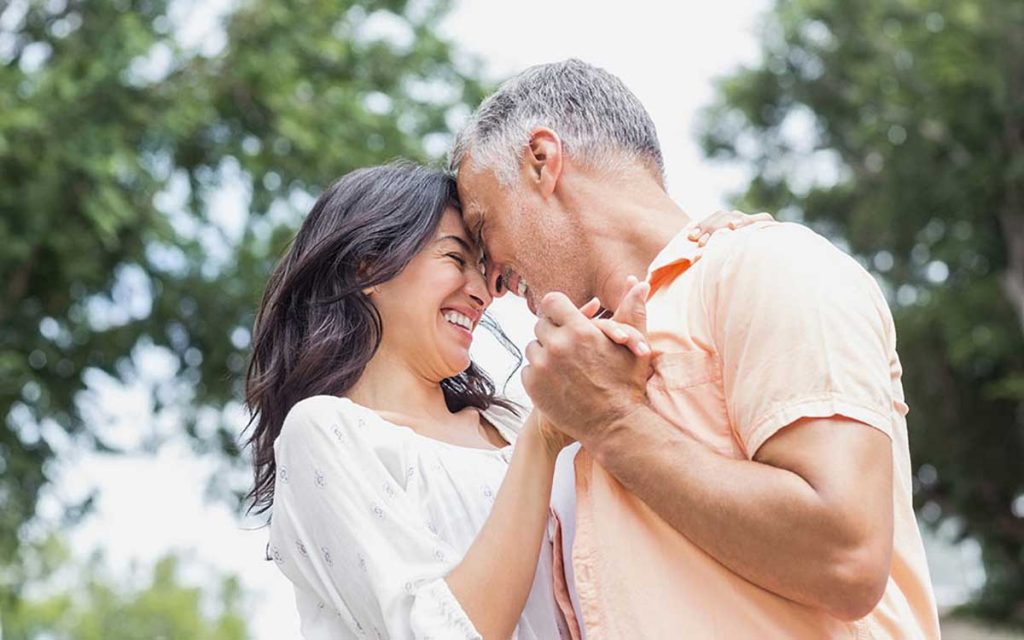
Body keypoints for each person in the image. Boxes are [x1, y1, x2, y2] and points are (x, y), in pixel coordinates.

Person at [451, 59, 942, 639]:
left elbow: (847, 558)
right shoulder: (577, 376)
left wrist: (612, 421)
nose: (491, 277)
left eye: (483, 230)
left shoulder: (770, 267)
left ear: (542, 159)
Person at [242, 161, 758, 639]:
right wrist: (541, 438)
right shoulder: (327, 432)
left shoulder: (512, 418)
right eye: (454, 259)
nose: (481, 293)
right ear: (368, 267)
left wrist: (700, 259)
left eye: (484, 269)